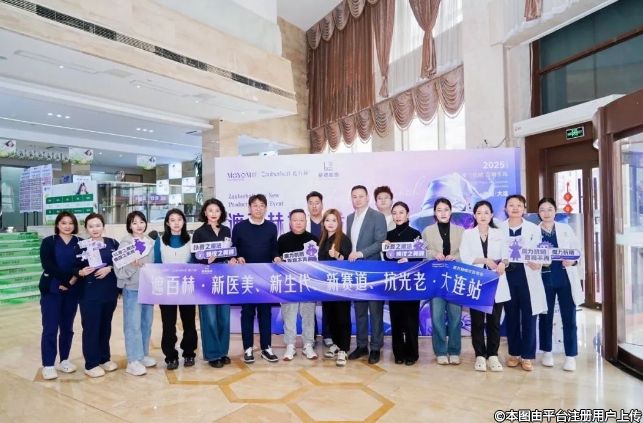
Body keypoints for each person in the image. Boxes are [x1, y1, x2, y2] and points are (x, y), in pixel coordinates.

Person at [460, 200, 510, 372]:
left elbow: (507, 256)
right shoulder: (468, 234)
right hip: (477, 282)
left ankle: (493, 355)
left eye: (486, 212)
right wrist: (485, 260)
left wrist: (503, 263)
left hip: (496, 280)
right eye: (479, 212)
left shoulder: (499, 233)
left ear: (492, 215)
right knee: (477, 321)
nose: (483, 216)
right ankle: (480, 355)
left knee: (494, 321)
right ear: (474, 215)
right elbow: (465, 257)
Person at [499, 194, 547, 371]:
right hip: (507, 276)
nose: (515, 208)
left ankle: (527, 356)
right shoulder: (498, 228)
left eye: (519, 205)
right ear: (505, 209)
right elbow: (496, 251)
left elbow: (540, 252)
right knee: (511, 316)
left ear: (524, 209)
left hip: (528, 275)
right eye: (511, 205)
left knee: (529, 316)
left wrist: (538, 262)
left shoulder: (533, 229)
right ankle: (514, 353)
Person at [231, 194, 280, 364]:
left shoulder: (271, 227)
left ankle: (266, 348)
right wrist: (237, 257)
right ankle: (248, 348)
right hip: (246, 278)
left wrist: (276, 257)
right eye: (255, 205)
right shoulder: (239, 227)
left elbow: (274, 249)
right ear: (249, 208)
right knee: (247, 312)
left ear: (266, 208)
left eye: (261, 205)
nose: (258, 208)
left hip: (265, 277)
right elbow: (233, 250)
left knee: (265, 313)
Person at [537, 197, 583, 372]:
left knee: (569, 318)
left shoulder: (565, 229)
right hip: (544, 279)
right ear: (538, 213)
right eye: (542, 210)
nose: (546, 213)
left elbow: (577, 252)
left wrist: (572, 261)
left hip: (565, 279)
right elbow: (529, 255)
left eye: (550, 209)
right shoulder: (533, 232)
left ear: (555, 211)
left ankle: (570, 356)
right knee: (545, 317)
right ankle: (547, 352)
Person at [346, 185, 387, 364]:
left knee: (375, 310)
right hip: (355, 271)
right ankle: (362, 345)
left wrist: (361, 253)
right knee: (359, 309)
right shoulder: (349, 218)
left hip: (373, 269)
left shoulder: (377, 216)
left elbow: (380, 242)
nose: (357, 199)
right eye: (354, 196)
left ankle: (376, 347)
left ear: (367, 198)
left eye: (361, 196)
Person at [38, 211, 81, 380]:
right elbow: (47, 264)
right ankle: (48, 364)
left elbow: (82, 264)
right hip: (52, 290)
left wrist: (71, 282)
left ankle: (64, 360)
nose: (67, 226)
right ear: (57, 225)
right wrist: (65, 280)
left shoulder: (80, 242)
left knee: (67, 328)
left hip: (72, 290)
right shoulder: (49, 241)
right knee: (50, 328)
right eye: (63, 223)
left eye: (70, 223)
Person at [75, 213, 119, 378]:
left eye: (98, 225)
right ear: (86, 228)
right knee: (91, 328)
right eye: (91, 226)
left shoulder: (113, 243)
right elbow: (73, 266)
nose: (95, 229)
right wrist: (80, 271)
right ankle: (91, 364)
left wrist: (110, 268)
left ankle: (104, 358)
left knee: (105, 327)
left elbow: (121, 262)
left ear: (103, 226)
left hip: (109, 292)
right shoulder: (81, 246)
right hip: (89, 293)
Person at [422, 197, 464, 365]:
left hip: (455, 278)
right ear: (434, 213)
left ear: (451, 211)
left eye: (446, 209)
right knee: (437, 316)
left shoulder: (461, 231)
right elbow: (423, 252)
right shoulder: (427, 231)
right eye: (439, 210)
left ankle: (454, 351)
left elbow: (466, 252)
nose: (443, 213)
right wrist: (434, 254)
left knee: (455, 316)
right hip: (436, 279)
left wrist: (455, 257)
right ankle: (440, 351)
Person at [191, 199, 232, 369]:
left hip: (224, 276)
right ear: (205, 213)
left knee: (224, 316)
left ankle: (223, 351)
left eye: (217, 210)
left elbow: (230, 252)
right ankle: (213, 354)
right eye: (210, 210)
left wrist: (232, 259)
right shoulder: (199, 233)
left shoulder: (226, 230)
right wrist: (205, 259)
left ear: (221, 213)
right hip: (206, 277)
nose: (214, 213)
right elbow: (195, 257)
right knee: (210, 317)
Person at [115, 211, 156, 376]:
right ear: (129, 226)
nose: (139, 225)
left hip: (148, 289)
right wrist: (132, 266)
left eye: (141, 222)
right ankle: (133, 361)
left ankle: (142, 355)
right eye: (134, 222)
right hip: (132, 288)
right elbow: (119, 271)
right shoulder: (125, 244)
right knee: (133, 325)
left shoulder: (151, 242)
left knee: (146, 323)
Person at [154, 208, 196, 370]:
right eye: (172, 220)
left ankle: (189, 353)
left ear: (184, 222)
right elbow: (157, 264)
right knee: (168, 324)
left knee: (189, 322)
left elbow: (194, 262)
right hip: (167, 289)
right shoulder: (159, 241)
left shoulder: (191, 240)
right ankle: (170, 356)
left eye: (179, 219)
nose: (176, 223)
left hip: (186, 287)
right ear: (167, 223)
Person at [278, 209, 319, 361]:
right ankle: (290, 345)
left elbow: (318, 263)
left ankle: (308, 344)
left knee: (308, 314)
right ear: (290, 222)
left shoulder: (313, 239)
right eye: (295, 220)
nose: (298, 223)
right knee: (289, 315)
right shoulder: (283, 239)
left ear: (306, 221)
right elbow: (276, 257)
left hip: (308, 283)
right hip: (288, 283)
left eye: (301, 220)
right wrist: (277, 259)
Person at [385, 201, 422, 365]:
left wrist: (409, 259)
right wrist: (387, 249)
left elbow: (420, 257)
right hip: (395, 283)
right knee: (396, 319)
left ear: (407, 214)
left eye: (401, 212)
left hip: (412, 282)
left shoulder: (416, 234)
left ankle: (412, 353)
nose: (398, 216)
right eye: (395, 213)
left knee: (411, 319)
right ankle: (398, 353)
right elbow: (387, 258)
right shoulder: (389, 235)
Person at [318, 209, 353, 366]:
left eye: (334, 220)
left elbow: (346, 260)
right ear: (323, 223)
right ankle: (337, 345)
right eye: (327, 220)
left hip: (341, 286)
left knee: (342, 317)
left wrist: (337, 255)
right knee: (331, 317)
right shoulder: (323, 239)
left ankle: (344, 349)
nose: (330, 223)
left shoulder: (343, 239)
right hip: (326, 286)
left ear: (339, 222)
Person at [306, 190, 332, 348]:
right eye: (311, 203)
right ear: (307, 205)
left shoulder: (328, 222)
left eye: (317, 203)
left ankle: (328, 335)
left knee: (327, 303)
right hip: (309, 270)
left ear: (322, 204)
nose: (314, 206)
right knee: (309, 304)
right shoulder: (303, 223)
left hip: (326, 269)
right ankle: (312, 334)